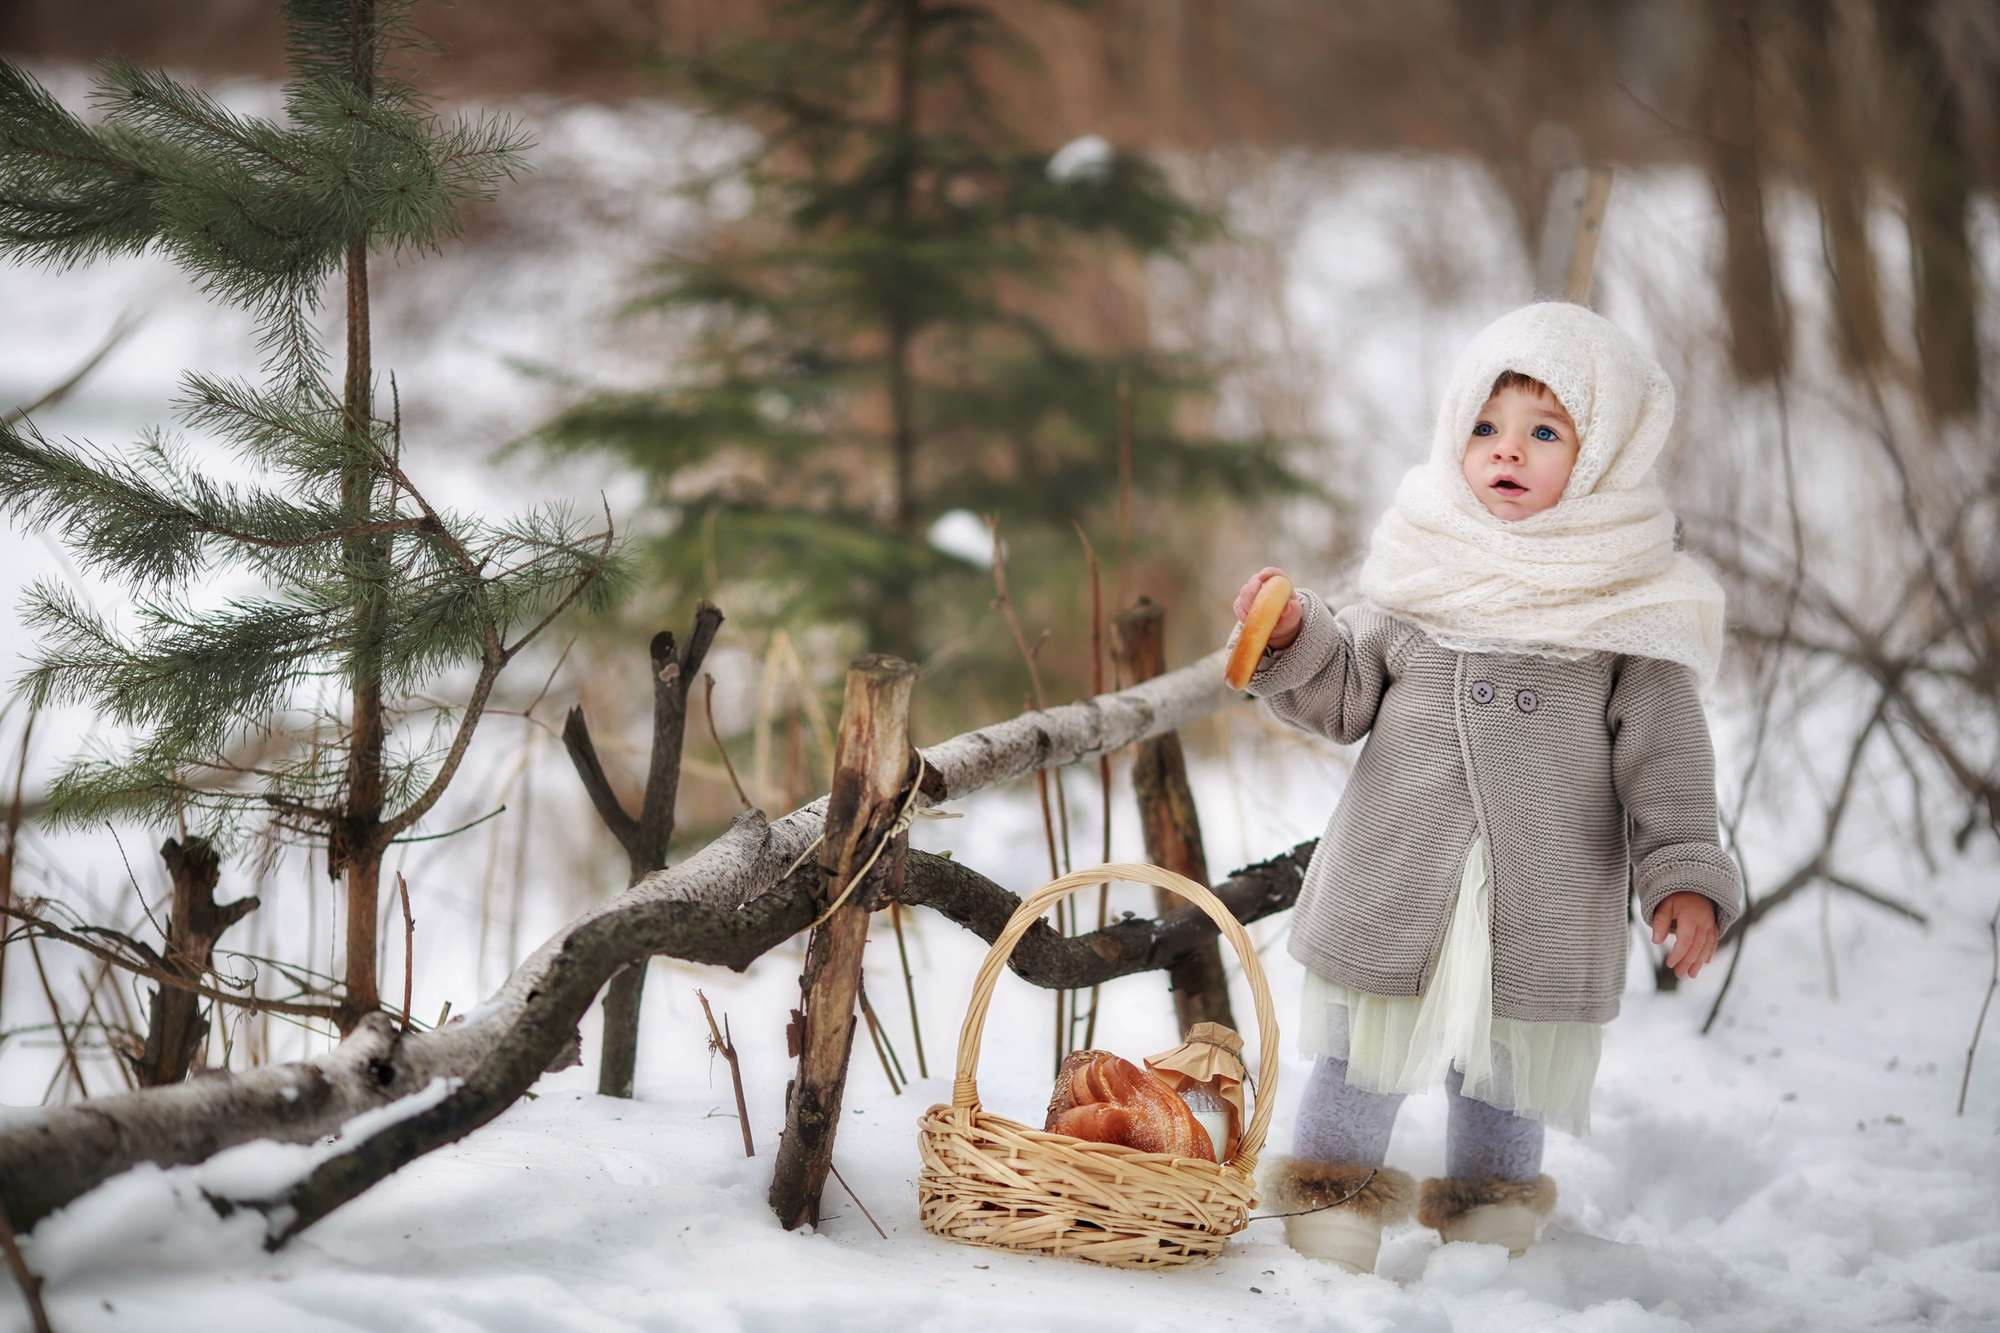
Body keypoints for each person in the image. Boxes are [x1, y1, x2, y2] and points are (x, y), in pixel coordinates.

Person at [1222, 301, 1741, 1275]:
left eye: (1544, 433)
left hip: (1539, 888)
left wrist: (1680, 874)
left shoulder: (1628, 609)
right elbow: (1344, 693)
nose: (1507, 452)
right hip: (1399, 874)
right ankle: (1330, 1189)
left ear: (1602, 460)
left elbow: (1666, 761)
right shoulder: (1422, 570)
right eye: (1484, 427)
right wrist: (1296, 639)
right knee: (1361, 1048)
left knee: (1506, 1061)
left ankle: (1491, 1207)